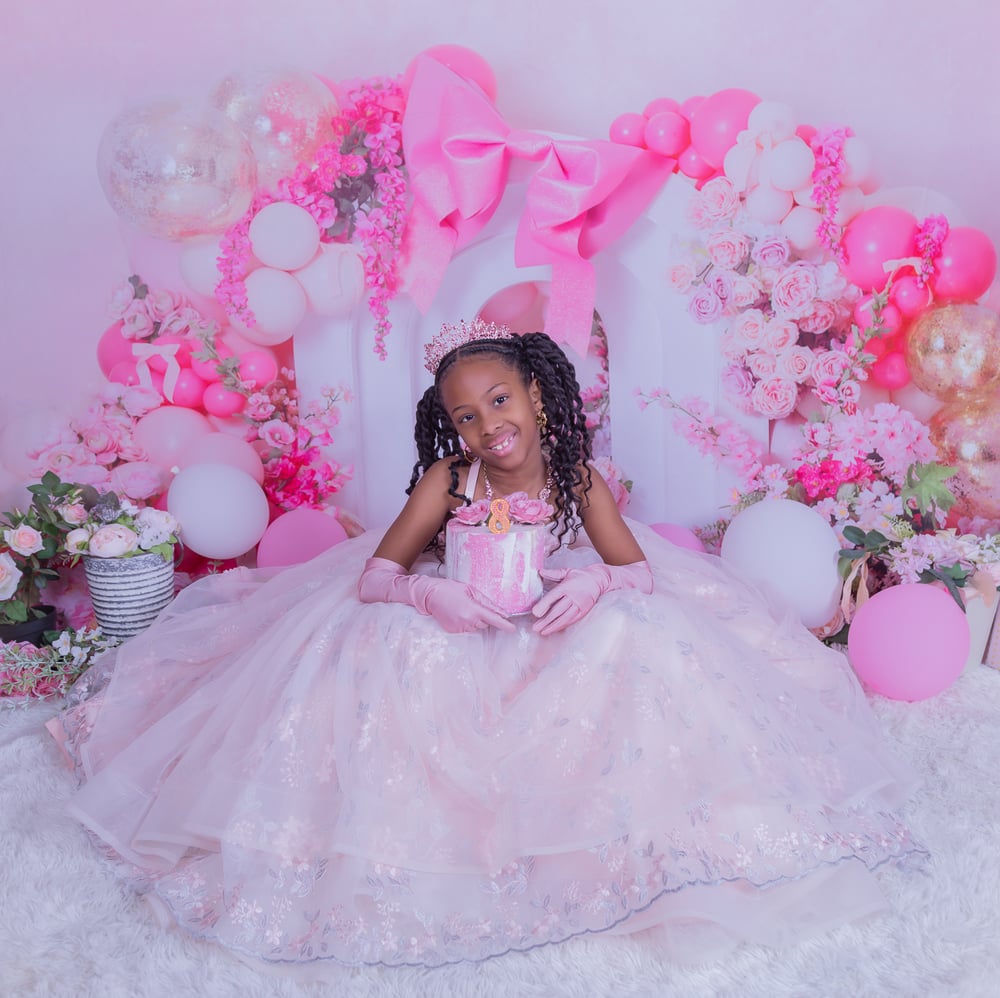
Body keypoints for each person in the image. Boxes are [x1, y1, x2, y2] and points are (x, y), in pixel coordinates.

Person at [51, 319, 923, 977]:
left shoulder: (576, 478)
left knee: (633, 635)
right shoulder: (448, 479)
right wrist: (428, 592)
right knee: (395, 653)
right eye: (465, 416)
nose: (486, 426)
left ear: (537, 396)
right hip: (454, 611)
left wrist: (594, 583)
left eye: (499, 402)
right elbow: (378, 576)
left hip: (541, 613)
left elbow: (637, 572)